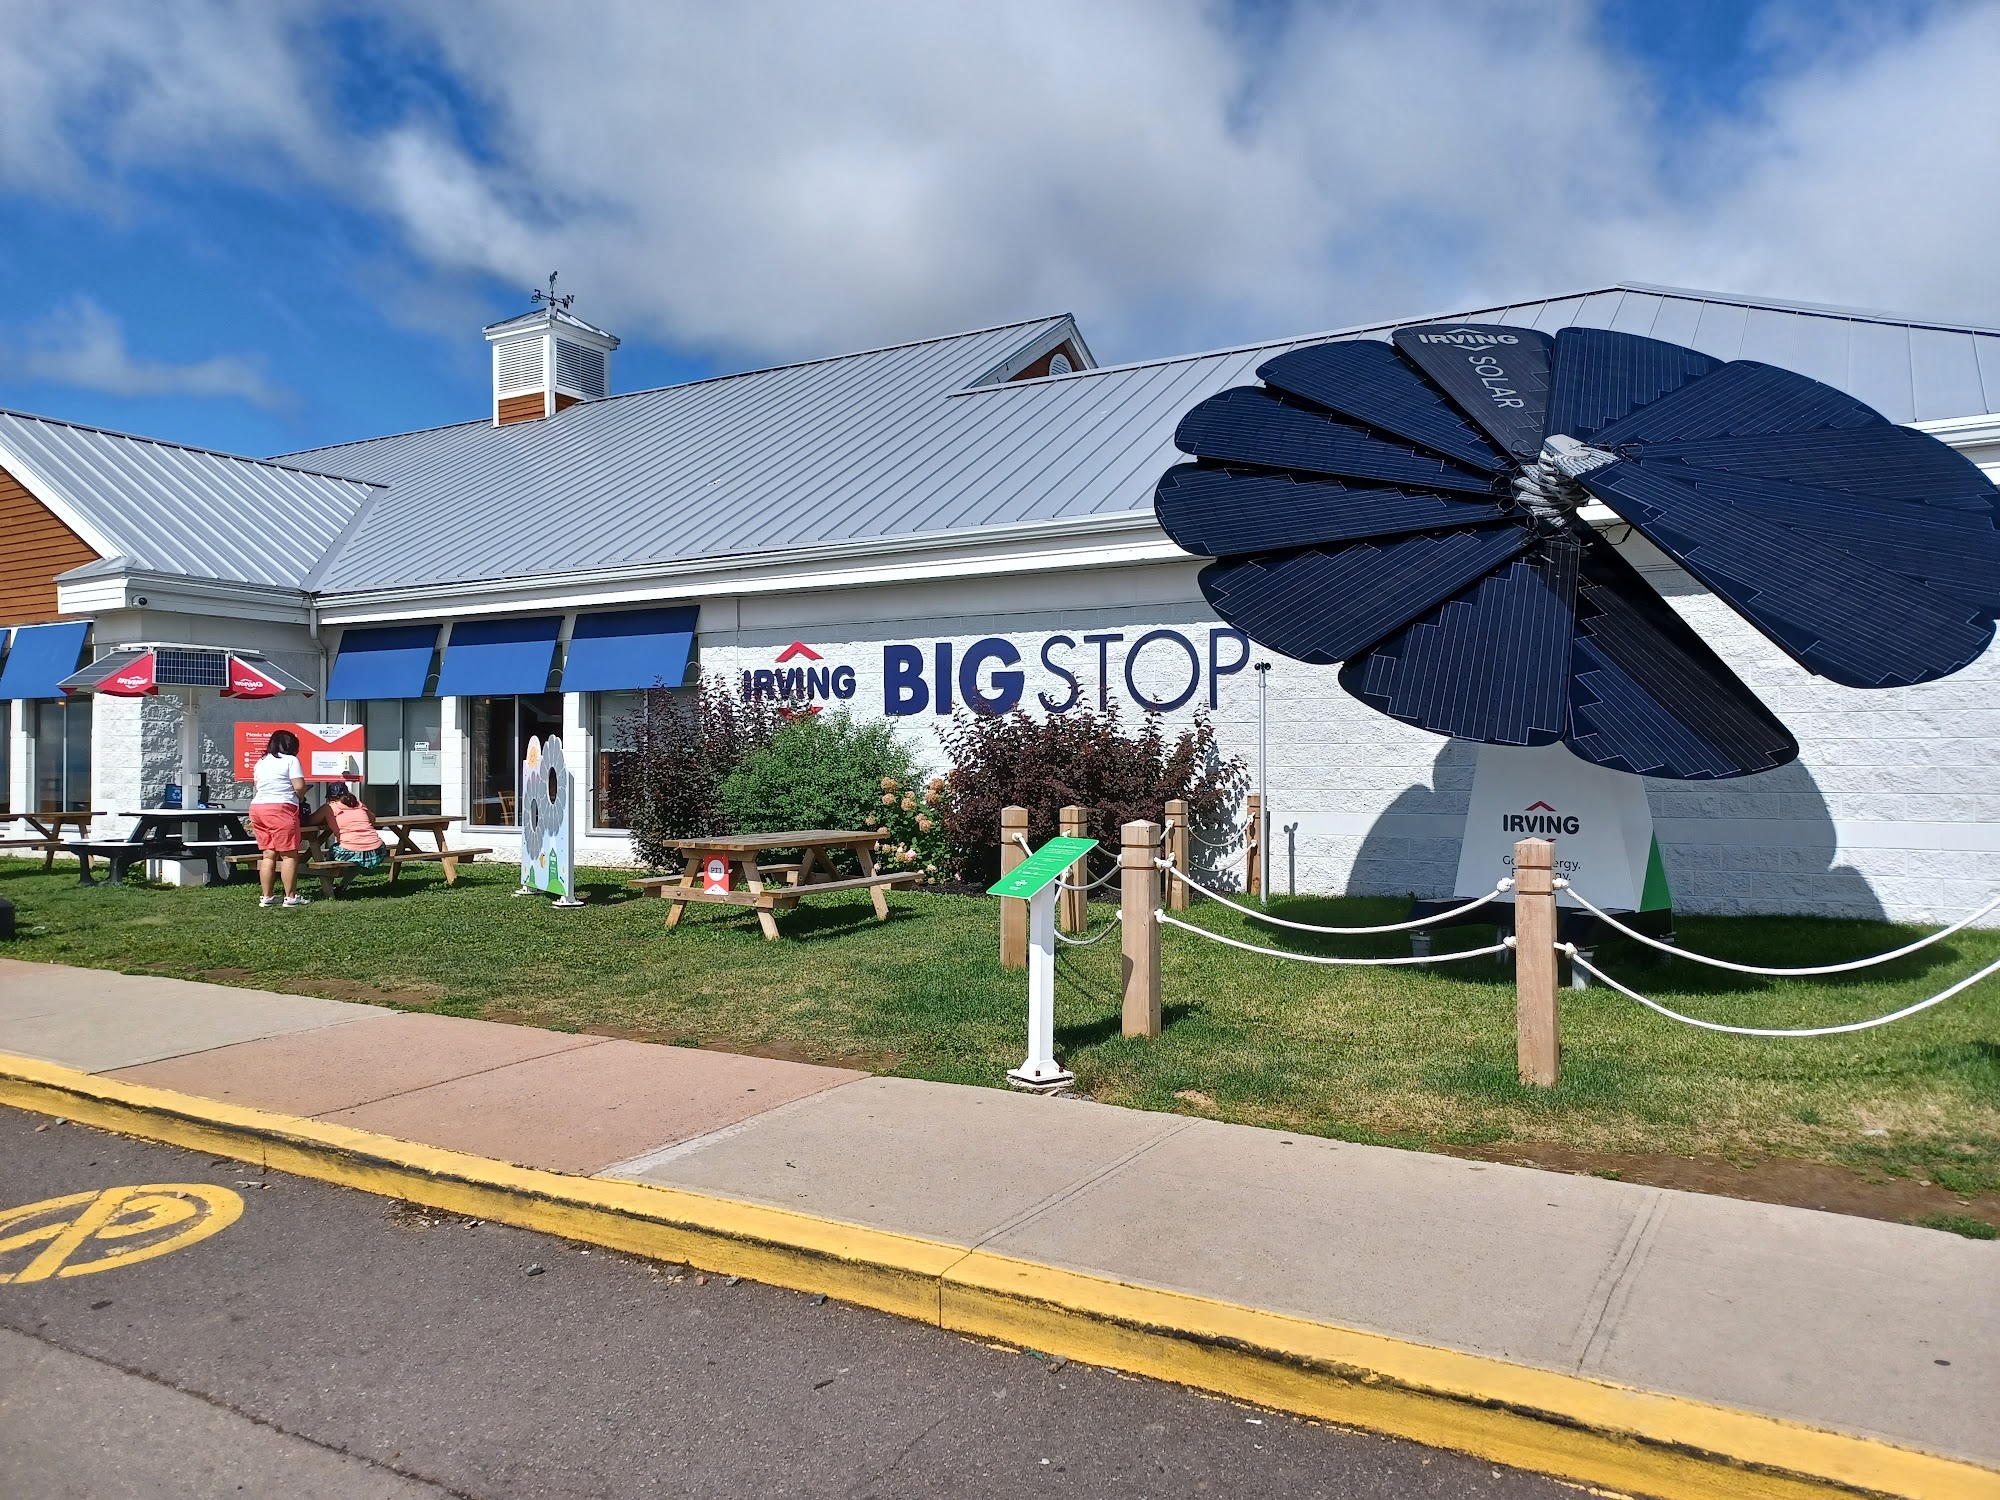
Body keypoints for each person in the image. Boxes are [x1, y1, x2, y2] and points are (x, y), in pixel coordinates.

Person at [250, 729, 309, 907]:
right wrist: (301, 796)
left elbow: (257, 785)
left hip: (258, 808)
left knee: (268, 854)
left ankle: (267, 896)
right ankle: (291, 897)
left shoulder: (261, 761)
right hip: (281, 808)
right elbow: (299, 786)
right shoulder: (290, 760)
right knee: (289, 854)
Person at [310, 786, 387, 872]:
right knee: (353, 859)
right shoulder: (359, 804)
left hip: (350, 851)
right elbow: (372, 819)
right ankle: (344, 880)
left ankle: (328, 876)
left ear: (330, 798)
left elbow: (311, 821)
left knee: (333, 850)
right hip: (377, 850)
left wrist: (327, 819)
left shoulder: (329, 807)